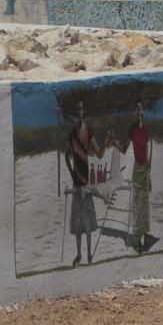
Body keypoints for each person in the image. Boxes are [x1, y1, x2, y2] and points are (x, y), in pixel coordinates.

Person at [66, 106, 101, 266]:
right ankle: (79, 254)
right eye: (78, 110)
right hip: (76, 179)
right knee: (78, 222)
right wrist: (71, 170)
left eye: (82, 110)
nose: (80, 112)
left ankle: (89, 254)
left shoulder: (89, 133)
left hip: (85, 179)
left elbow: (98, 152)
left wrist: (102, 147)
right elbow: (68, 155)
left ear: (84, 114)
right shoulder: (72, 134)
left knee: (87, 221)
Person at [126, 105, 154, 252]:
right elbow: (127, 150)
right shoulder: (133, 130)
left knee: (145, 205)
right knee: (138, 204)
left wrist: (148, 173)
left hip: (145, 169)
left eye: (142, 109)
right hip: (138, 169)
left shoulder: (145, 130)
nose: (140, 111)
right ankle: (136, 240)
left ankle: (144, 237)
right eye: (137, 109)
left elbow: (148, 150)